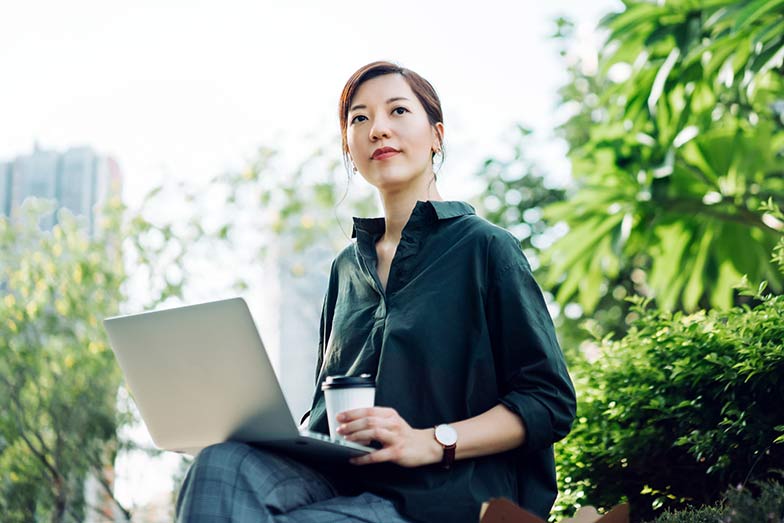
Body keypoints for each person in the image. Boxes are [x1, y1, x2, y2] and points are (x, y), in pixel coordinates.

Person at [176, 60, 576, 523]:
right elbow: (327, 409)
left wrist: (429, 441)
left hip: (445, 494)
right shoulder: (346, 268)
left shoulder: (486, 248)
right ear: (348, 146)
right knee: (221, 465)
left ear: (437, 136)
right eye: (359, 118)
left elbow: (549, 400)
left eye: (398, 111)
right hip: (346, 479)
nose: (377, 129)